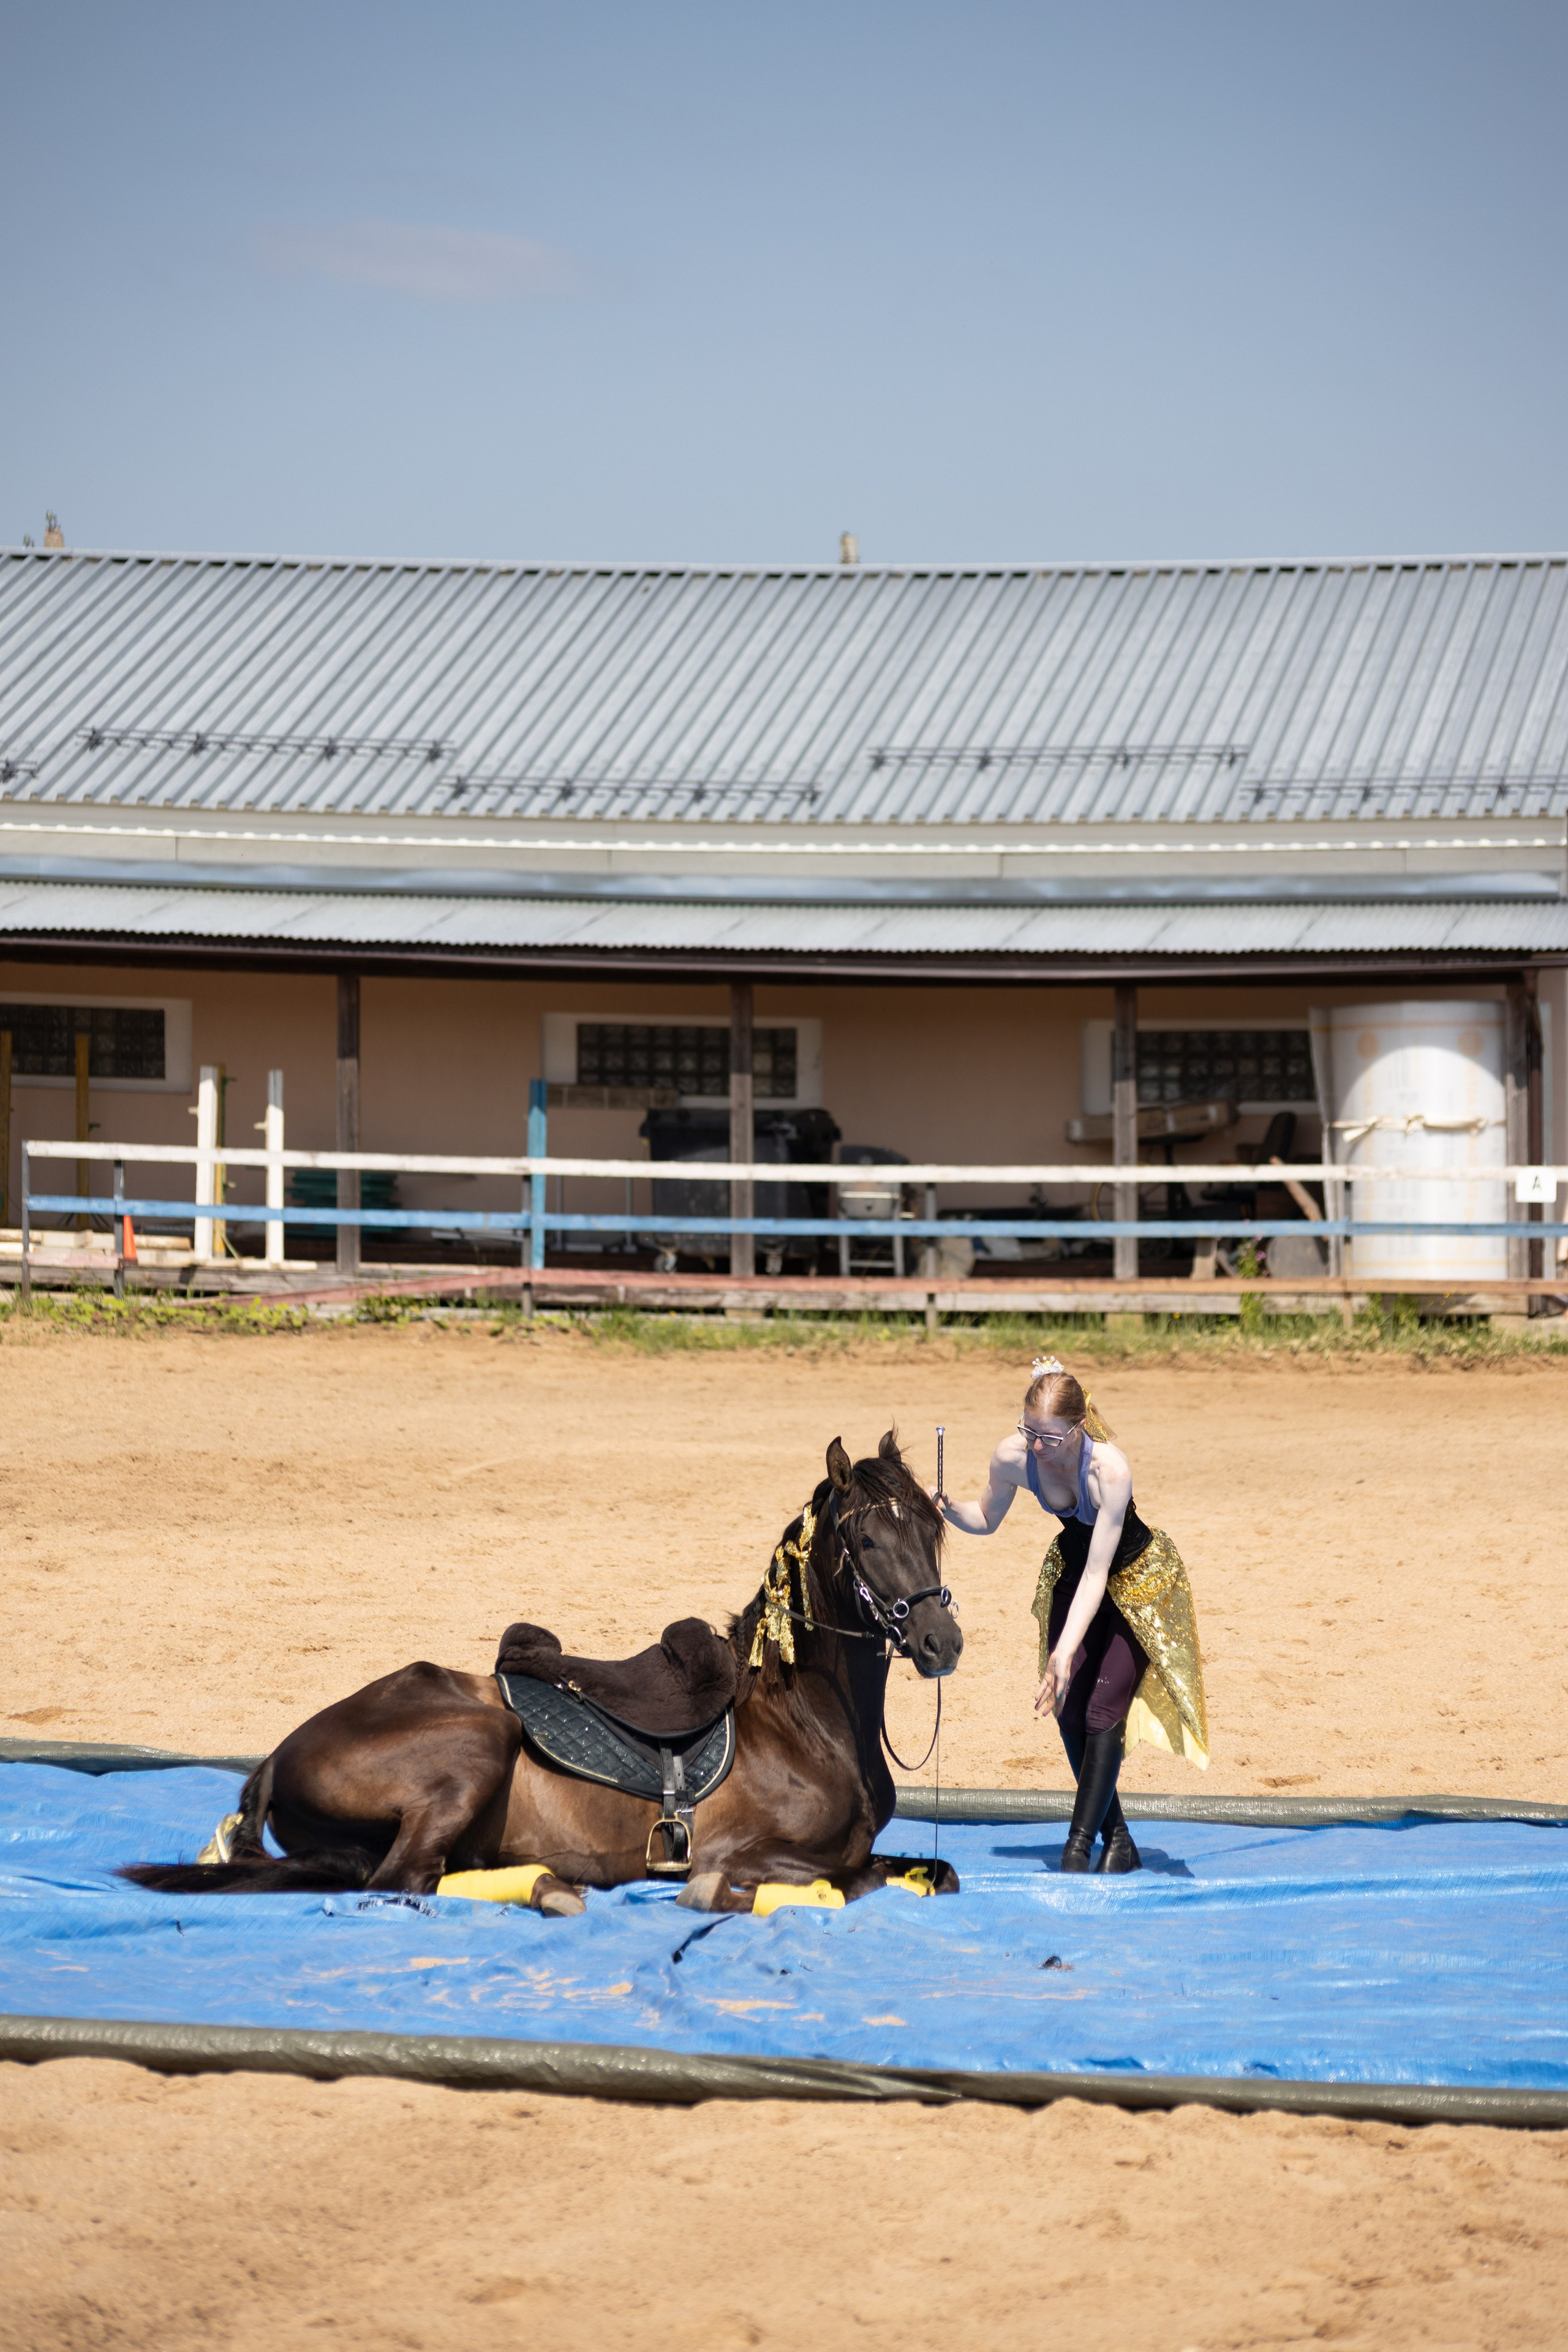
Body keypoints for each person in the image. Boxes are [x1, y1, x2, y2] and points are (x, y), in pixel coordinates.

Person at [934, 1357, 1208, 1873]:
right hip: (1074, 1571)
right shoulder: (1014, 1456)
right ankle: (1119, 1840)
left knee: (1102, 1710)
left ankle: (1077, 1847)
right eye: (1029, 1431)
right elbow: (985, 1518)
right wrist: (946, 1505)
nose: (1037, 1446)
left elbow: (1099, 1574)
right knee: (1066, 1705)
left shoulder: (1110, 1470)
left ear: (1080, 1427)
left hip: (1137, 1582)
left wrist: (1063, 1651)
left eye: (1050, 1437)